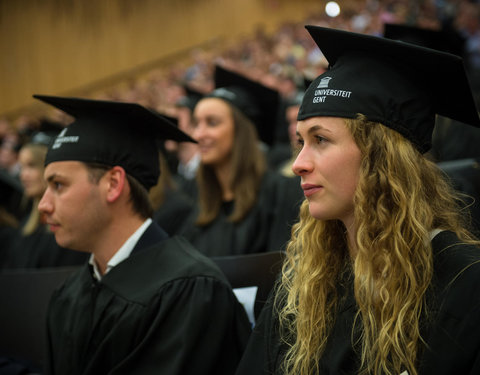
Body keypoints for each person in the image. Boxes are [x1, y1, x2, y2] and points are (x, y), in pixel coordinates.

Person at [235, 26, 480, 375]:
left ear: (381, 157)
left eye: (320, 139)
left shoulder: (465, 286)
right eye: (300, 141)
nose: (299, 163)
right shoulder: (305, 282)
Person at [33, 95, 251, 375]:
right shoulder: (69, 296)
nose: (44, 204)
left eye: (58, 185)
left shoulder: (189, 291)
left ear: (113, 184)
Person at [179, 65, 302, 256]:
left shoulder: (282, 194)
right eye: (196, 123)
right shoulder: (197, 205)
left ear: (241, 132)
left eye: (212, 123)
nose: (198, 134)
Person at [3, 121, 88, 268]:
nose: (23, 175)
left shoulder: (74, 229)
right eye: (22, 167)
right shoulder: (25, 228)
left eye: (31, 166)